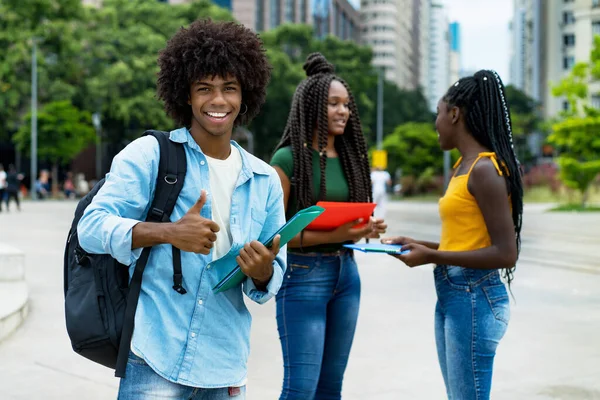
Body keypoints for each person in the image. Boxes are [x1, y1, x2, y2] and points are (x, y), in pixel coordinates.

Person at [77, 19, 284, 399]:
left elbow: (272, 277)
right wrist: (167, 232)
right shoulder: (150, 155)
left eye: (229, 89)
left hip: (225, 366)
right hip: (155, 356)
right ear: (186, 95)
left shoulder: (264, 179)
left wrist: (262, 270)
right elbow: (91, 228)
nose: (218, 101)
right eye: (204, 89)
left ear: (245, 95)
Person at [383, 70, 523, 400]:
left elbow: (506, 253)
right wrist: (419, 244)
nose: (436, 123)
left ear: (454, 114)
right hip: (453, 293)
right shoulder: (464, 165)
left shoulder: (485, 169)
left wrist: (432, 256)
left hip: (474, 296)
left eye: (438, 113)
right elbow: (467, 241)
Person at [270, 53, 387, 400]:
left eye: (346, 105)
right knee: (300, 390)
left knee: (330, 388)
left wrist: (366, 228)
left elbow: (351, 221)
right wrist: (344, 233)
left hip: (347, 275)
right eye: (333, 104)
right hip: (303, 276)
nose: (343, 111)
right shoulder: (287, 159)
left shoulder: (351, 159)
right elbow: (276, 238)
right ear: (311, 107)